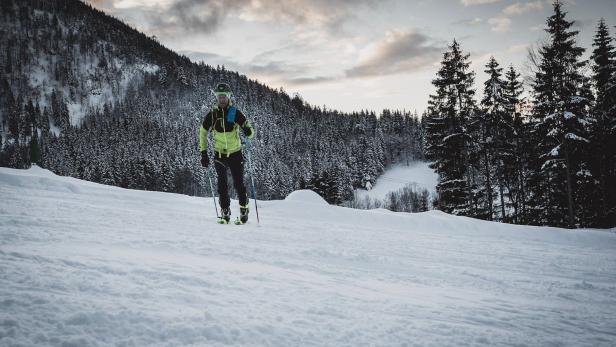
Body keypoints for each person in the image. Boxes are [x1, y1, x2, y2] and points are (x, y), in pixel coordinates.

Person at [200, 83, 255, 224]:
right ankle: (225, 211)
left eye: (224, 96)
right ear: (216, 97)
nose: (222, 99)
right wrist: (204, 152)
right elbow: (203, 132)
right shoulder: (213, 115)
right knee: (222, 185)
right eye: (219, 96)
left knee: (238, 184)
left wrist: (248, 132)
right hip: (219, 154)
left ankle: (244, 208)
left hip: (236, 153)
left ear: (229, 97)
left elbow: (248, 128)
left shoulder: (234, 112)